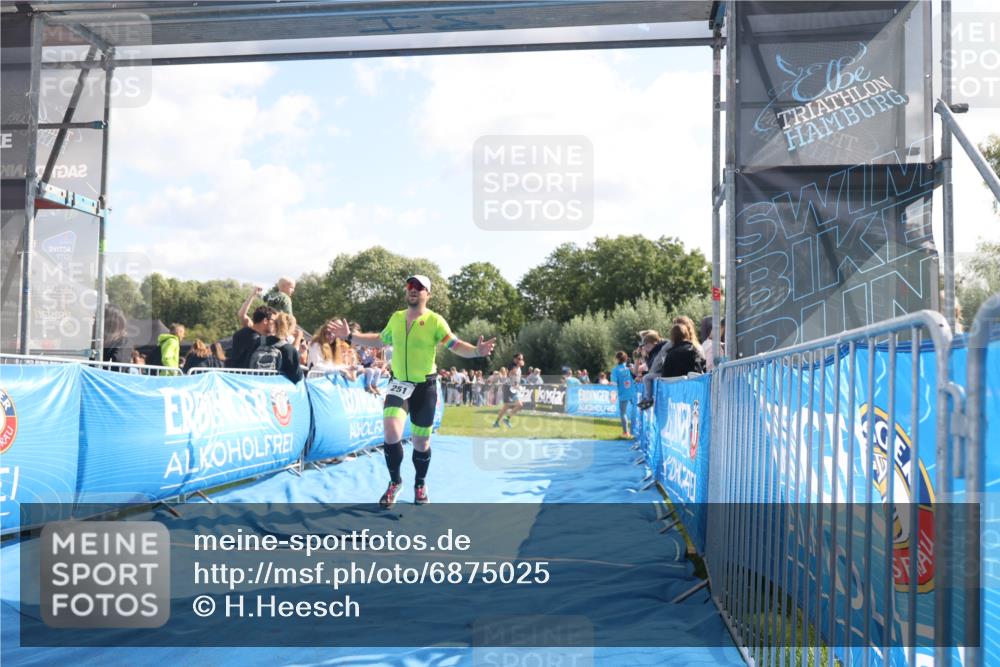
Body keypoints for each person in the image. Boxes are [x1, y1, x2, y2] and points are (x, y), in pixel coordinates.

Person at [327, 274, 495, 507]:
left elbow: (455, 345)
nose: (413, 289)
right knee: (391, 432)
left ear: (428, 294)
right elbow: (380, 339)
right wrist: (351, 337)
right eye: (409, 285)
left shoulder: (435, 321)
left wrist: (476, 351)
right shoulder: (396, 318)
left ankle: (420, 483)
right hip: (398, 384)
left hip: (424, 388)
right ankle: (395, 482)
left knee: (421, 443)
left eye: (419, 286)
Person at [229, 304, 277, 369]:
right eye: (275, 321)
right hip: (244, 377)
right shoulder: (256, 340)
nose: (276, 325)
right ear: (265, 321)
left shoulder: (244, 333)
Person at [261, 312, 304, 383]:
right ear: (291, 328)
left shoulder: (260, 341)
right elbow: (297, 376)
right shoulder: (289, 349)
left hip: (255, 385)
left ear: (274, 324)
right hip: (275, 388)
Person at [493, 352, 525, 428]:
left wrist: (518, 384)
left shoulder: (518, 366)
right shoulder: (512, 365)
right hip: (508, 388)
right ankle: (497, 422)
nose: (521, 360)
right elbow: (511, 373)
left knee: (519, 405)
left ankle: (506, 420)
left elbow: (517, 377)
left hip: (514, 388)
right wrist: (518, 365)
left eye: (522, 359)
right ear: (515, 359)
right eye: (519, 359)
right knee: (506, 407)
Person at [637, 331, 668, 409]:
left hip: (666, 373)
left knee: (646, 377)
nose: (644, 347)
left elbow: (652, 369)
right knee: (646, 377)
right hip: (663, 372)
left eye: (646, 344)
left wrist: (646, 357)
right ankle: (647, 398)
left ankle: (648, 399)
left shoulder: (658, 349)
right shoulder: (656, 350)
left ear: (653, 342)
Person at [610, 351, 636, 438]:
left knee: (623, 413)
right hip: (633, 391)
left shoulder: (615, 370)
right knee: (636, 411)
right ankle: (635, 432)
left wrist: (613, 395)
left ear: (617, 359)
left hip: (623, 393)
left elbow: (614, 384)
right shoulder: (630, 367)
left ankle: (626, 432)